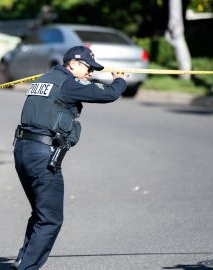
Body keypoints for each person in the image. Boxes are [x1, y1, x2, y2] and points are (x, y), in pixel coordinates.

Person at [12, 46, 128, 270]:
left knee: (40, 214)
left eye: (93, 69)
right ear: (72, 64)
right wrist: (120, 80)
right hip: (42, 154)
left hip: (22, 151)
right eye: (87, 67)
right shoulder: (68, 84)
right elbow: (108, 94)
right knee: (50, 219)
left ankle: (22, 261)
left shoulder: (44, 78)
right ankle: (26, 267)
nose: (90, 73)